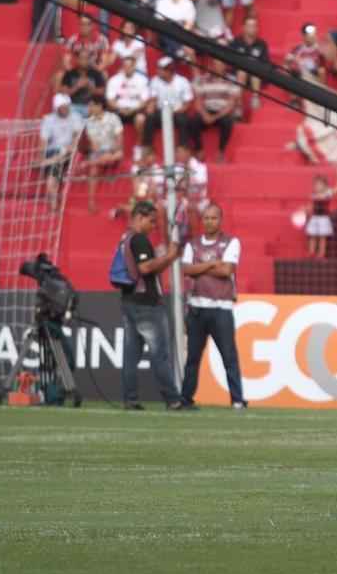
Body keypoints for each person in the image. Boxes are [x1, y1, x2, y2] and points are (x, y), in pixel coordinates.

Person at [118, 200, 187, 411]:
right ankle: (173, 399)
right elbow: (146, 268)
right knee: (160, 354)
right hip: (146, 304)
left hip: (129, 301)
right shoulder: (139, 239)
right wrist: (169, 257)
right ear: (139, 217)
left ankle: (130, 399)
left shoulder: (125, 239)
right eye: (151, 220)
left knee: (131, 355)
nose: (154, 225)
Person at [180, 203, 247, 409]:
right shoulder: (192, 244)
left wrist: (200, 267)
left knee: (229, 356)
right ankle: (186, 399)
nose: (209, 222)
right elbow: (187, 269)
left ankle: (237, 399)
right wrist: (212, 264)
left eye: (213, 218)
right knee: (193, 358)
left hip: (221, 308)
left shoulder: (231, 242)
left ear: (220, 219)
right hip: (197, 307)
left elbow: (227, 270)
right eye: (206, 218)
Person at [143, 57, 195, 159]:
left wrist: (179, 110)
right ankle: (148, 146)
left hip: (177, 111)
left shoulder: (182, 81)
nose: (158, 71)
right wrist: (150, 108)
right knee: (149, 118)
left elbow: (187, 102)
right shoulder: (155, 81)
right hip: (161, 112)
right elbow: (153, 99)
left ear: (169, 71)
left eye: (160, 69)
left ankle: (182, 147)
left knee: (183, 120)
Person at [190, 56, 240, 161]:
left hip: (222, 111)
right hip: (207, 109)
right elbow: (198, 101)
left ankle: (221, 152)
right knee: (193, 121)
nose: (217, 67)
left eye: (220, 64)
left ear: (225, 66)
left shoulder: (232, 80)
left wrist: (215, 117)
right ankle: (199, 150)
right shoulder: (203, 79)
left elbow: (231, 104)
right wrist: (205, 115)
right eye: (215, 64)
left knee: (227, 122)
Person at [39, 94, 83, 211]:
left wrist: (69, 149)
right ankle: (53, 205)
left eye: (66, 106)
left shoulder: (76, 118)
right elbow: (43, 142)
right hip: (54, 151)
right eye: (62, 107)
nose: (65, 109)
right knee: (52, 178)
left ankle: (51, 161)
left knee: (56, 164)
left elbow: (77, 139)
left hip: (70, 151)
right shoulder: (48, 120)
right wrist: (41, 155)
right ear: (56, 107)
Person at [82, 95, 124, 215]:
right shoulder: (88, 122)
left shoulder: (113, 118)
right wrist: (102, 154)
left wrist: (112, 152)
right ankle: (91, 202)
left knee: (116, 155)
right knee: (94, 169)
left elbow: (119, 140)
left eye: (91, 105)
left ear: (99, 106)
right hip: (99, 154)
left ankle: (90, 163)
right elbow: (94, 145)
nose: (89, 108)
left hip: (113, 151)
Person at [229, 17, 269, 109]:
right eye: (249, 25)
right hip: (239, 75)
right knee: (242, 72)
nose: (252, 28)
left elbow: (265, 63)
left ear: (257, 29)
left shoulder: (262, 44)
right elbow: (230, 61)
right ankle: (238, 106)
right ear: (243, 27)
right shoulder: (236, 42)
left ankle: (255, 98)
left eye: (254, 26)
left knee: (255, 72)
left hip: (256, 76)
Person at [106, 55, 151, 131]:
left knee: (141, 119)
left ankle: (140, 142)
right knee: (108, 119)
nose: (127, 68)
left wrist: (132, 110)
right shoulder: (114, 80)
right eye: (125, 66)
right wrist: (120, 109)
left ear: (134, 66)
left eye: (130, 66)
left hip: (135, 110)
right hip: (118, 110)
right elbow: (110, 100)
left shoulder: (142, 80)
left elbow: (144, 101)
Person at [306, 174, 336, 258]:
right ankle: (311, 252)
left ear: (325, 185)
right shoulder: (313, 195)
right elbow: (310, 206)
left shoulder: (327, 193)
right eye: (315, 184)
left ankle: (321, 253)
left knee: (322, 237)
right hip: (314, 218)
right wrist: (306, 211)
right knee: (313, 235)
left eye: (319, 184)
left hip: (324, 218)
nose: (317, 186)